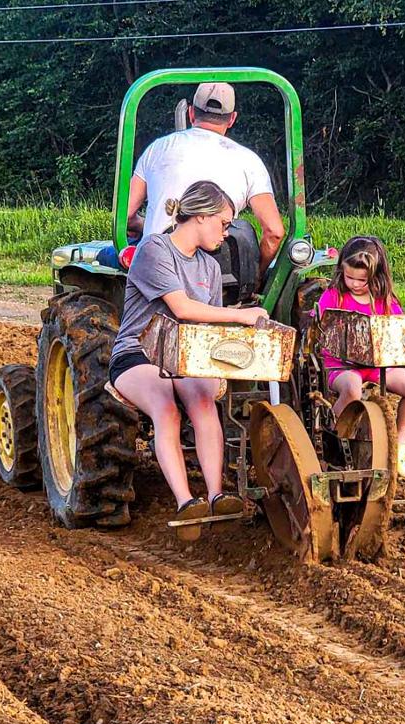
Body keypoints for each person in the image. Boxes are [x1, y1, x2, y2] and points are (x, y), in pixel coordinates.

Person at [109, 180, 268, 539]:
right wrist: (242, 317)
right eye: (224, 224)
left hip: (183, 356)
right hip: (139, 354)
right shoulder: (155, 249)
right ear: (199, 216)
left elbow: (207, 325)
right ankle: (185, 502)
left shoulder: (209, 269)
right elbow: (181, 308)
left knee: (202, 397)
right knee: (166, 407)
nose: (226, 234)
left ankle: (216, 495)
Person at [127, 82, 285, 284]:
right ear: (232, 119)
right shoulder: (250, 161)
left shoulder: (158, 148)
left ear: (191, 113)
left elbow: (126, 216)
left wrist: (146, 225)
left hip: (160, 273)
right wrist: (255, 277)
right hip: (229, 287)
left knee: (107, 255)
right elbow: (274, 233)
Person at [314, 235, 405, 479]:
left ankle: (399, 443)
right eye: (349, 276)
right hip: (341, 365)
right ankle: (333, 432)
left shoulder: (384, 301)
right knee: (352, 388)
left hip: (375, 365)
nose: (353, 283)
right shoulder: (334, 297)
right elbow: (318, 328)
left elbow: (396, 332)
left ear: (375, 276)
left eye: (361, 280)